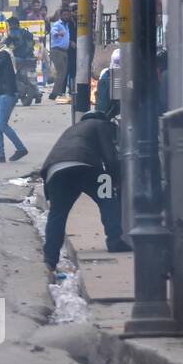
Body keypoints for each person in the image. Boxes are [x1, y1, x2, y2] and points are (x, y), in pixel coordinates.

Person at [39, 111, 129, 272]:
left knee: (57, 214)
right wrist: (116, 180)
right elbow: (110, 156)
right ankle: (115, 241)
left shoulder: (72, 129)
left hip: (56, 172)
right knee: (108, 200)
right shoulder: (101, 125)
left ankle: (50, 258)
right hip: (86, 168)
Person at [0, 33, 29, 163]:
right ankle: (0, 154)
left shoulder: (4, 54)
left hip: (7, 93)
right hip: (2, 93)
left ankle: (20, 148)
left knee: (1, 125)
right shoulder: (0, 54)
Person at [48, 8, 72, 103]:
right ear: (61, 16)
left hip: (64, 51)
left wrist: (70, 42)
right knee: (61, 73)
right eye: (65, 15)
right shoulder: (57, 24)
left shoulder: (66, 25)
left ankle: (57, 92)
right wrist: (58, 33)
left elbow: (65, 38)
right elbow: (52, 32)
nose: (67, 16)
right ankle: (54, 94)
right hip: (57, 51)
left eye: (68, 15)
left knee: (63, 73)